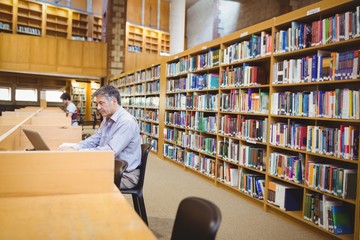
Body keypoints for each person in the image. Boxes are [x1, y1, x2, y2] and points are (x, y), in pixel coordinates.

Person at [58, 85, 142, 189]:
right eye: (97, 104)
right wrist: (75, 147)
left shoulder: (126, 122)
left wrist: (77, 152)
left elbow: (110, 151)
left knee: (78, 178)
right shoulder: (107, 118)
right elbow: (94, 139)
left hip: (124, 174)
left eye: (101, 103)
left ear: (114, 101)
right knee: (71, 170)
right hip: (108, 166)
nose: (98, 108)